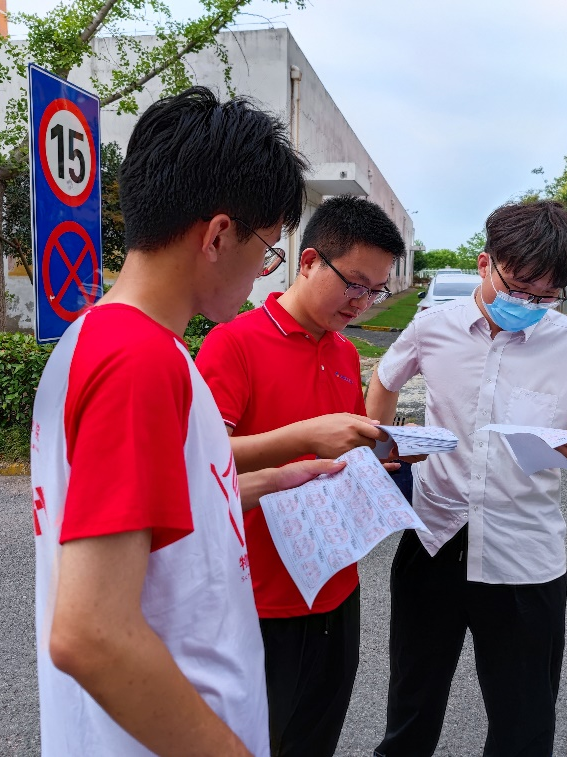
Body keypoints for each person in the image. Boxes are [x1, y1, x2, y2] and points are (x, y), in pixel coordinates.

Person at [30, 87, 347, 757]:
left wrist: (271, 481)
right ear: (218, 235)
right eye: (268, 250)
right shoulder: (138, 362)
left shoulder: (103, 339)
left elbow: (157, 523)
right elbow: (91, 633)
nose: (264, 274)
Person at [365, 200, 567, 757]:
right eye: (518, 288)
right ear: (485, 263)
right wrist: (383, 446)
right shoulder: (433, 327)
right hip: (433, 540)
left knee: (524, 719)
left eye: (546, 296)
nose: (529, 305)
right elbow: (384, 377)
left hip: (524, 557)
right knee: (412, 703)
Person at [195, 195, 407, 757]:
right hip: (258, 599)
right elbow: (199, 461)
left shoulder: (343, 352)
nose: (362, 302)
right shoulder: (233, 342)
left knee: (316, 740)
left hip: (336, 586)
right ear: (309, 261)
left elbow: (342, 451)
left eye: (375, 290)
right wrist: (305, 438)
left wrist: (381, 453)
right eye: (355, 283)